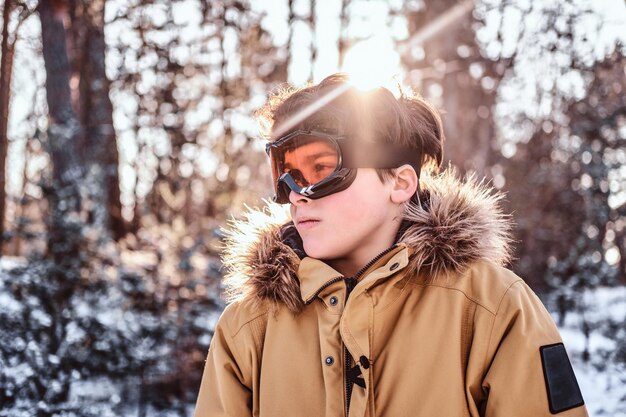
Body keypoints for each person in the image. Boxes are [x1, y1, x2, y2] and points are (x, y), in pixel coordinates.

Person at [193, 73, 588, 417]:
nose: (296, 194)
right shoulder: (249, 327)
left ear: (400, 183)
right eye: (286, 172)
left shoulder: (492, 310)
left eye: (321, 168)